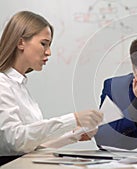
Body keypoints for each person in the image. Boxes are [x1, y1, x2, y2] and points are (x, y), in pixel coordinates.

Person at [0, 11, 103, 165]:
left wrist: (74, 134)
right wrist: (73, 119)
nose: (48, 52)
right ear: (21, 42)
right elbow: (15, 141)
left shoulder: (19, 86)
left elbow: (32, 146)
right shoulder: (2, 83)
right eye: (44, 43)